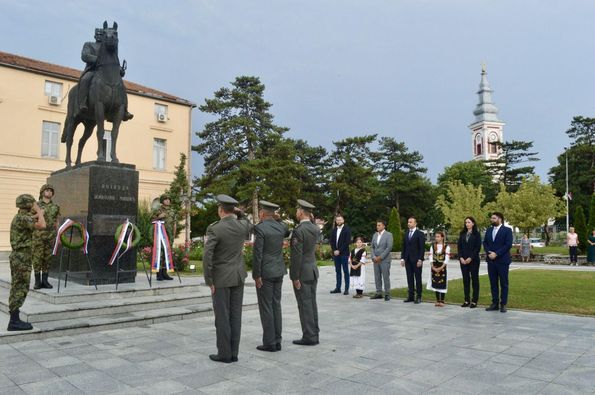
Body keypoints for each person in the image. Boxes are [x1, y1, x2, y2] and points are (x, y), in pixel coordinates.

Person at [203, 194, 252, 363]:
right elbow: (249, 224)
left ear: (220, 210)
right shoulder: (241, 226)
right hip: (238, 276)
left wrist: (209, 279)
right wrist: (241, 213)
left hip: (221, 278)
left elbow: (207, 256)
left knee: (222, 316)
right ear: (233, 210)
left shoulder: (215, 229)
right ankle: (234, 353)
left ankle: (224, 354)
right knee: (235, 315)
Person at [252, 200, 289, 352]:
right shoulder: (281, 227)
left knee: (266, 307)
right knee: (276, 305)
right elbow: (287, 231)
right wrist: (278, 219)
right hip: (279, 270)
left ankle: (269, 343)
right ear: (273, 214)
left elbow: (258, 253)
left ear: (262, 213)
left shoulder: (260, 228)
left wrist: (256, 275)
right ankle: (277, 340)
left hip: (265, 273)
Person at [7, 194, 46, 331]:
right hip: (21, 257)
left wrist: (36, 214)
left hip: (20, 257)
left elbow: (32, 220)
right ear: (29, 204)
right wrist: (40, 212)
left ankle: (14, 319)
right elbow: (42, 225)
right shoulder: (23, 218)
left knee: (18, 286)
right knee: (20, 288)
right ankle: (14, 321)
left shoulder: (21, 217)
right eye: (33, 203)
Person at [78, 27, 133, 120]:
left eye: (101, 35)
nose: (99, 37)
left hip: (108, 72)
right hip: (93, 70)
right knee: (85, 79)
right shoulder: (88, 44)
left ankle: (125, 110)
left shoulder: (109, 48)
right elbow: (85, 56)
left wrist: (120, 69)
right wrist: (99, 59)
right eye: (98, 35)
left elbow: (114, 61)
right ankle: (83, 103)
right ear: (95, 36)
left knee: (121, 85)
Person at [290, 199, 321, 346]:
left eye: (297, 210)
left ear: (301, 212)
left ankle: (309, 336)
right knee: (311, 303)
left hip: (303, 272)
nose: (296, 213)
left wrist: (294, 276)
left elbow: (297, 256)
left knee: (304, 304)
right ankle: (314, 332)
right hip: (313, 270)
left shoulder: (299, 231)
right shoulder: (315, 228)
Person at [31, 184, 60, 290]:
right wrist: (39, 214)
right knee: (37, 258)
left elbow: (57, 221)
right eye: (47, 190)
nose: (49, 192)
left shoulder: (55, 207)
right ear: (42, 192)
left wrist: (58, 235)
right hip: (38, 236)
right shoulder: (36, 205)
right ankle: (37, 282)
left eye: (51, 191)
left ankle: (45, 281)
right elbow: (29, 218)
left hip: (50, 236)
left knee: (47, 259)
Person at [483, 212, 513, 313]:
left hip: (502, 261)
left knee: (504, 283)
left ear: (500, 219)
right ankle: (495, 303)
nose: (492, 220)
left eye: (494, 218)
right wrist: (488, 253)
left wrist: (496, 254)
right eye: (491, 218)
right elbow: (485, 243)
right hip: (491, 261)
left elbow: (508, 245)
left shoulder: (507, 230)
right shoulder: (489, 230)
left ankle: (503, 304)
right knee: (493, 283)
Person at [457, 217, 481, 308]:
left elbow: (477, 248)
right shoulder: (462, 234)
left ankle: (474, 301)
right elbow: (459, 247)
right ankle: (466, 300)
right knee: (466, 280)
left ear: (473, 223)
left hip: (473, 261)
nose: (467, 224)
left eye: (469, 222)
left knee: (475, 280)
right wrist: (461, 258)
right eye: (466, 222)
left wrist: (471, 258)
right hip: (463, 261)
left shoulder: (476, 234)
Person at [400, 217, 425, 304]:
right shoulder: (406, 233)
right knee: (409, 278)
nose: (409, 223)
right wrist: (402, 258)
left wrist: (420, 259)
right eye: (408, 222)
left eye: (410, 222)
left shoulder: (420, 234)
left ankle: (419, 296)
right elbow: (404, 247)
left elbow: (422, 248)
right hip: (407, 260)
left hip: (417, 260)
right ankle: (411, 296)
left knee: (418, 278)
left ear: (415, 223)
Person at [151, 194, 176, 281]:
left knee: (167, 254)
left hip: (170, 236)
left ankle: (165, 273)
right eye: (165, 199)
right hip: (161, 235)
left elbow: (174, 223)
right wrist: (159, 217)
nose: (168, 201)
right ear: (162, 201)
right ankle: (159, 274)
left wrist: (174, 234)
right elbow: (151, 220)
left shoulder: (172, 211)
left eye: (169, 199)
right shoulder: (158, 210)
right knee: (160, 254)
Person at [370, 220, 393, 301]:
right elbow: (372, 247)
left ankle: (387, 294)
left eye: (379, 225)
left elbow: (389, 247)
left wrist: (380, 257)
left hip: (384, 260)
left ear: (384, 226)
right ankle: (379, 293)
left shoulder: (389, 235)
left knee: (386, 277)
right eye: (377, 225)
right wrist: (373, 257)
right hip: (375, 260)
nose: (377, 227)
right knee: (377, 277)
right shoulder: (375, 235)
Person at [329, 215, 352, 295]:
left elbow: (347, 242)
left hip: (344, 253)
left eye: (340, 220)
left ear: (343, 220)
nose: (338, 221)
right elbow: (331, 241)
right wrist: (334, 250)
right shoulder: (334, 230)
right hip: (336, 254)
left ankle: (346, 289)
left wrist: (339, 250)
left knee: (345, 271)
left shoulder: (347, 229)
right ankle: (338, 288)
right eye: (337, 220)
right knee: (337, 271)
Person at [426, 231, 450, 307]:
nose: (436, 238)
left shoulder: (446, 247)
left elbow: (447, 259)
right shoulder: (433, 246)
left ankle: (442, 300)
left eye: (438, 236)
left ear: (442, 237)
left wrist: (441, 267)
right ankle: (437, 300)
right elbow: (430, 256)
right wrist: (432, 266)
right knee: (435, 282)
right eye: (436, 236)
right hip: (434, 267)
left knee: (442, 282)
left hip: (442, 268)